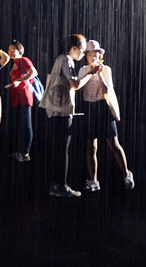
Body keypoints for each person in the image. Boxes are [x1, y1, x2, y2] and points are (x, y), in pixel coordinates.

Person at [39, 34, 100, 198]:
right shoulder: (66, 60)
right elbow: (76, 84)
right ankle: (61, 186)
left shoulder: (62, 60)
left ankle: (56, 184)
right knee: (62, 150)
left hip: (56, 110)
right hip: (61, 111)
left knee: (59, 149)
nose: (83, 53)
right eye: (82, 49)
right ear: (73, 48)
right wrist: (91, 73)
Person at [79, 40, 134, 191]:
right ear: (86, 56)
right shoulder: (83, 70)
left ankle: (127, 174)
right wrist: (90, 72)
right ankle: (93, 180)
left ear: (100, 55)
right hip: (89, 108)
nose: (93, 56)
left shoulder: (106, 69)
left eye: (96, 53)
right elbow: (78, 88)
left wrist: (99, 74)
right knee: (91, 146)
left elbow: (107, 90)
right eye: (90, 54)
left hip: (103, 107)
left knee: (113, 144)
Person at [5, 40, 38, 162]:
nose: (11, 51)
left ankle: (25, 152)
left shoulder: (23, 60)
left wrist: (20, 80)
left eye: (13, 49)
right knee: (20, 124)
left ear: (19, 50)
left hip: (24, 95)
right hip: (17, 96)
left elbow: (34, 72)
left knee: (25, 123)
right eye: (9, 49)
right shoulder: (14, 63)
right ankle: (20, 151)